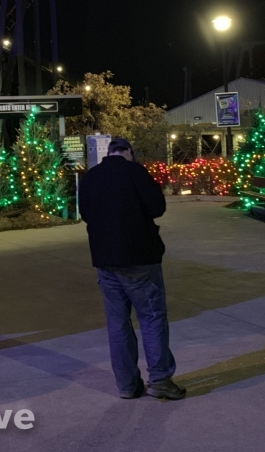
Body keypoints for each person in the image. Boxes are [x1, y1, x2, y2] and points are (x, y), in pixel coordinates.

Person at [78, 137, 186, 400]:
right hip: (140, 258)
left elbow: (85, 214)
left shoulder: (90, 177)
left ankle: (127, 385)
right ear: (128, 152)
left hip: (105, 260)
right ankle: (159, 379)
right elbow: (157, 208)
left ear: (109, 153)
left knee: (118, 323)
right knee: (151, 318)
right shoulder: (136, 171)